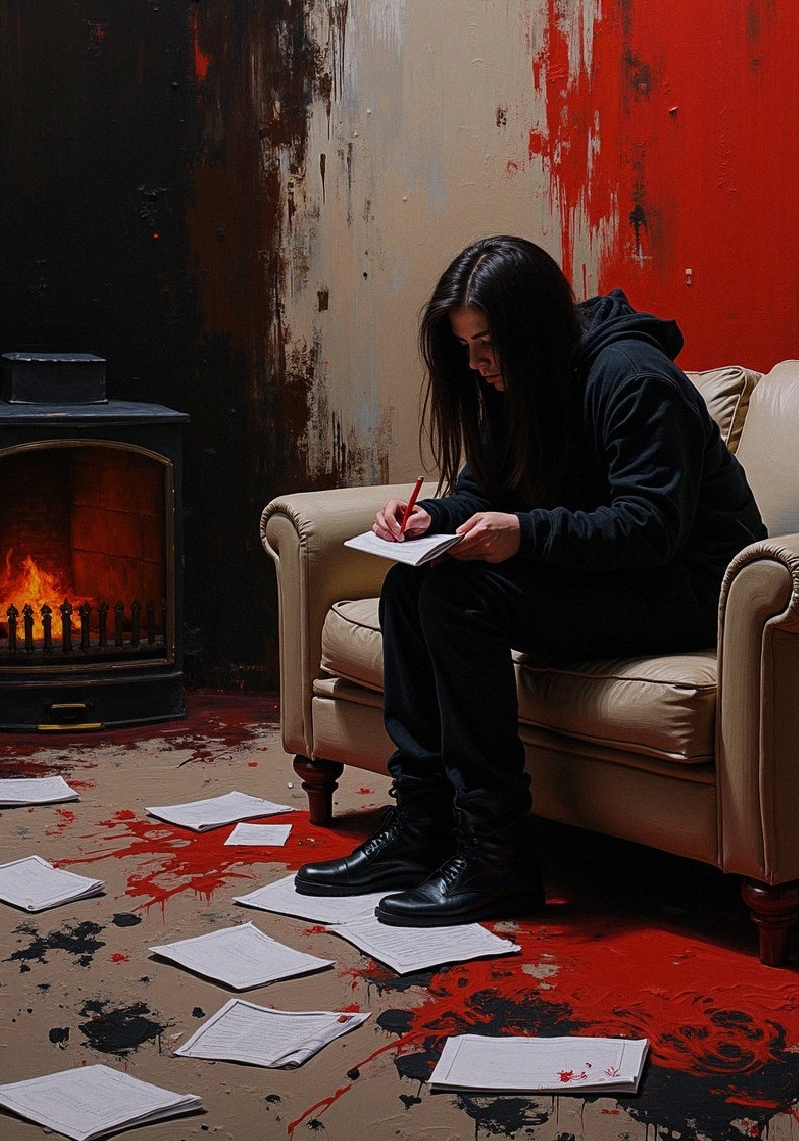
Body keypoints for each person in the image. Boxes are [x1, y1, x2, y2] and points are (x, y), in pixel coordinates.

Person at [295, 235, 766, 926]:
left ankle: (499, 855)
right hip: (610, 574)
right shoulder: (520, 378)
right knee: (407, 585)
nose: (476, 363)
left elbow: (650, 527)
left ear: (532, 328)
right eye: (465, 346)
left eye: (487, 343)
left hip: (691, 589)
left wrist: (527, 533)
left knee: (460, 599)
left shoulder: (632, 377)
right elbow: (486, 492)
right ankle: (423, 826)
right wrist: (431, 518)